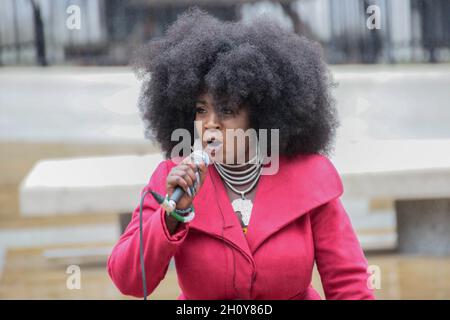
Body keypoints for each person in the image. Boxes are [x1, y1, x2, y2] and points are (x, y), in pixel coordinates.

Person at [107, 7, 375, 300]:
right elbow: (129, 280)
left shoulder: (309, 177)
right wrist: (172, 214)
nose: (211, 124)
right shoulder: (172, 180)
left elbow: (350, 286)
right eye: (200, 110)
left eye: (227, 110)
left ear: (260, 115)